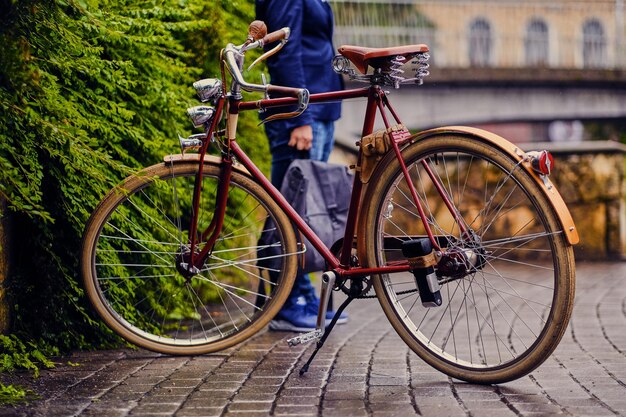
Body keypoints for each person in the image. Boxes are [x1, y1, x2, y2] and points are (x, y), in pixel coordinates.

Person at [255, 0, 346, 331]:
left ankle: (299, 292)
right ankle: (286, 301)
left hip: (318, 106)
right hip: (299, 111)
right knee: (289, 211)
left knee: (299, 211)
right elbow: (285, 47)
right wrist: (300, 118)